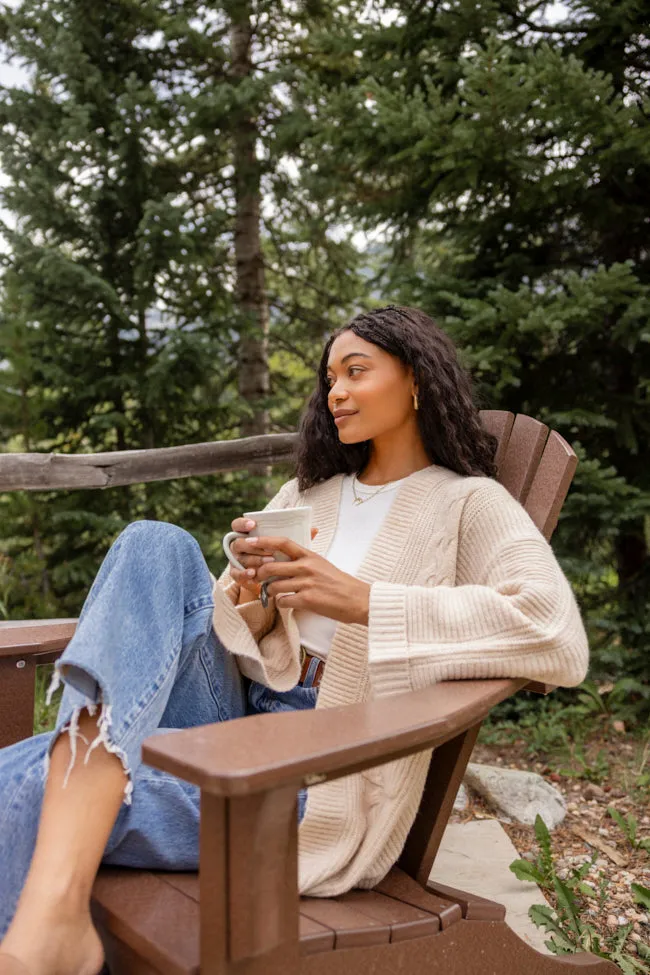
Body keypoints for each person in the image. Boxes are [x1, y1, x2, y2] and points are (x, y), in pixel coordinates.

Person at [0, 305, 589, 975]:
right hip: (239, 715)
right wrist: (251, 603)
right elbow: (239, 638)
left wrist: (363, 600)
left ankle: (46, 938)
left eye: (356, 371)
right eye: (329, 376)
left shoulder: (467, 503)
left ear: (418, 379)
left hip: (327, 766)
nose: (335, 391)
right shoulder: (308, 495)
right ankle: (55, 936)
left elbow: (555, 633)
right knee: (152, 542)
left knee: (27, 778)